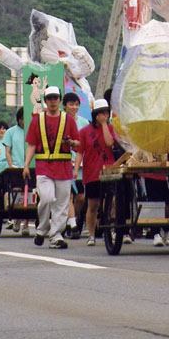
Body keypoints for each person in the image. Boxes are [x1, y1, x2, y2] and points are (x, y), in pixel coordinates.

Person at [23, 86, 80, 249]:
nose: (53, 101)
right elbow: (32, 145)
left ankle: (56, 235)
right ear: (45, 101)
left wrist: (71, 143)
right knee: (47, 199)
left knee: (61, 204)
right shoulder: (37, 120)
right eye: (50, 98)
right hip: (44, 168)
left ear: (60, 100)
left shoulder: (69, 120)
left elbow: (77, 142)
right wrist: (26, 165)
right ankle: (42, 229)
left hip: (63, 168)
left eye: (56, 98)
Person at [74, 99, 119, 246]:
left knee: (111, 202)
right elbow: (80, 152)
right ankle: (91, 234)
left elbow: (109, 143)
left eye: (105, 113)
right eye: (100, 113)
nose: (103, 115)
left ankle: (111, 229)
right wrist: (75, 170)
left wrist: (105, 124)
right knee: (92, 205)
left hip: (108, 171)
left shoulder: (111, 128)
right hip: (91, 172)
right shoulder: (85, 131)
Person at [62, 92, 89, 239]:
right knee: (68, 196)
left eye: (76, 104)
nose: (74, 107)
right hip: (65, 164)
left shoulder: (84, 122)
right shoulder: (60, 121)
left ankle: (74, 219)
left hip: (82, 167)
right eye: (71, 104)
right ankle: (72, 225)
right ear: (64, 106)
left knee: (81, 197)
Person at [3, 107, 31, 236]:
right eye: (21, 119)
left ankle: (25, 223)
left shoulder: (33, 130)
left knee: (31, 194)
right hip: (16, 167)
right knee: (16, 192)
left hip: (31, 167)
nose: (23, 122)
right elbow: (8, 151)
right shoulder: (11, 132)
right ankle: (17, 219)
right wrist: (11, 165)